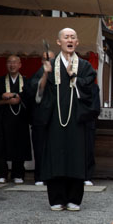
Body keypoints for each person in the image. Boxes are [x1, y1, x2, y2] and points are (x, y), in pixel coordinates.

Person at [34, 28, 97, 211]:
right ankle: (56, 198)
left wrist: (73, 76)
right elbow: (38, 93)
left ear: (77, 42)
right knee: (56, 156)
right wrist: (45, 74)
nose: (70, 40)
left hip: (77, 120)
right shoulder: (50, 64)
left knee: (76, 156)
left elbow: (88, 91)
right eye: (66, 37)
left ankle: (74, 199)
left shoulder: (85, 66)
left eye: (73, 37)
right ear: (59, 42)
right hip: (55, 118)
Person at [0, 55, 32, 184]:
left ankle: (18, 173)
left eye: (15, 63)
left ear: (20, 65)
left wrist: (16, 97)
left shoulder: (26, 82)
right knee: (1, 147)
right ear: (6, 65)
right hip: (3, 119)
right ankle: (0, 174)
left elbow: (30, 100)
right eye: (9, 62)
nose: (12, 65)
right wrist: (6, 99)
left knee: (19, 145)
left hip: (20, 120)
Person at [30, 50, 55, 186]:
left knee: (54, 149)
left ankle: (53, 176)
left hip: (55, 118)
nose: (48, 62)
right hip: (40, 118)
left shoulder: (59, 74)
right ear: (41, 61)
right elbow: (36, 91)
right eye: (45, 59)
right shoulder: (39, 73)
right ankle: (39, 176)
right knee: (40, 148)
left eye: (51, 59)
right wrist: (45, 74)